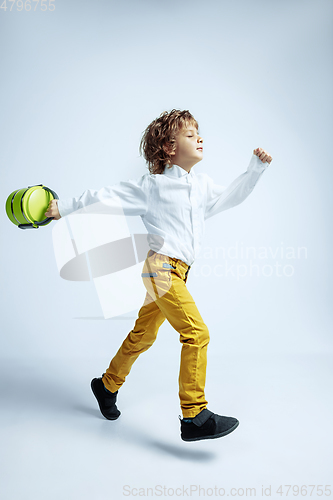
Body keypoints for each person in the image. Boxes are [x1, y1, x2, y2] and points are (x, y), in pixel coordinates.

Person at [45, 109, 272, 442]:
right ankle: (194, 415)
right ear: (169, 146)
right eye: (190, 134)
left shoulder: (201, 187)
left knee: (143, 335)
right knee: (196, 332)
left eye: (199, 133)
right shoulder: (152, 187)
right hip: (160, 270)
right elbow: (105, 196)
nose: (199, 138)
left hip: (179, 273)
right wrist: (62, 207)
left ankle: (106, 386)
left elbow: (231, 197)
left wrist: (255, 169)